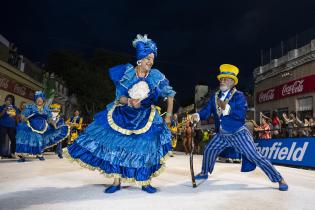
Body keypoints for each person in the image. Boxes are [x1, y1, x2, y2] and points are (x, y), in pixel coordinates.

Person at [65, 34, 175, 194]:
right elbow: (120, 98)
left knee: (146, 148)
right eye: (148, 58)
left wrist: (169, 114)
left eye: (152, 59)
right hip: (123, 115)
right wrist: (130, 102)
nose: (151, 62)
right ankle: (116, 181)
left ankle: (145, 181)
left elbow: (169, 94)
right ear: (140, 58)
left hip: (146, 117)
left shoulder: (155, 76)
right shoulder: (127, 73)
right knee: (116, 147)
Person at [193, 64, 288, 191]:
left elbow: (241, 115)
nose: (222, 81)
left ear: (232, 82)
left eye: (225, 79)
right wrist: (197, 115)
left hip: (238, 134)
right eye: (221, 79)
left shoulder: (239, 96)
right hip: (222, 134)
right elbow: (206, 111)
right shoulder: (215, 97)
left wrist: (227, 108)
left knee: (255, 156)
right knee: (209, 149)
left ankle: (279, 178)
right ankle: (204, 172)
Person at [15, 91, 66, 162]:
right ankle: (22, 156)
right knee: (27, 138)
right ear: (35, 100)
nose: (39, 101)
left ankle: (39, 154)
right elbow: (23, 115)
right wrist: (24, 118)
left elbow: (49, 118)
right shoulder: (30, 107)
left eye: (41, 99)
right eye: (38, 99)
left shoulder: (46, 109)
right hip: (31, 126)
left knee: (40, 140)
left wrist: (54, 124)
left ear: (43, 100)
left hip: (43, 126)